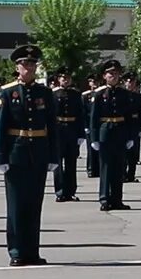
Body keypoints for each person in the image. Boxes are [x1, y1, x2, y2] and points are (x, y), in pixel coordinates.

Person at [0, 45, 57, 266]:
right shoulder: (7, 93)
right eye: (24, 64)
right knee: (16, 206)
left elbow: (52, 125)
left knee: (34, 205)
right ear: (17, 67)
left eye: (32, 64)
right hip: (16, 153)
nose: (28, 68)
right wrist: (0, 157)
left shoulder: (45, 93)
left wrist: (53, 156)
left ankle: (32, 251)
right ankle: (17, 251)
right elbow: (0, 128)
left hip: (38, 153)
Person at [89, 59, 135, 211]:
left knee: (119, 166)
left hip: (120, 131)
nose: (113, 76)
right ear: (104, 76)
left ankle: (117, 199)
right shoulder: (100, 94)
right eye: (110, 74)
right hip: (105, 131)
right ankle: (104, 199)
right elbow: (94, 118)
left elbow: (129, 116)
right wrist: (94, 138)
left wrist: (130, 136)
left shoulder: (124, 94)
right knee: (106, 167)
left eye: (115, 74)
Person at [51, 68, 84, 202]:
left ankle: (70, 191)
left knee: (71, 162)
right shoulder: (52, 94)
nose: (65, 80)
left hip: (72, 129)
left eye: (68, 78)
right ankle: (60, 192)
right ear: (58, 79)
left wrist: (81, 134)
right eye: (63, 78)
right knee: (58, 162)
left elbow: (80, 115)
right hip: (58, 130)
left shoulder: (75, 94)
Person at [124, 71, 141, 182]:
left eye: (132, 82)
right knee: (122, 153)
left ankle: (131, 175)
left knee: (133, 153)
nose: (130, 84)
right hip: (123, 126)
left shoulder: (139, 98)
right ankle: (122, 174)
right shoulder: (121, 95)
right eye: (128, 82)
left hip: (134, 126)